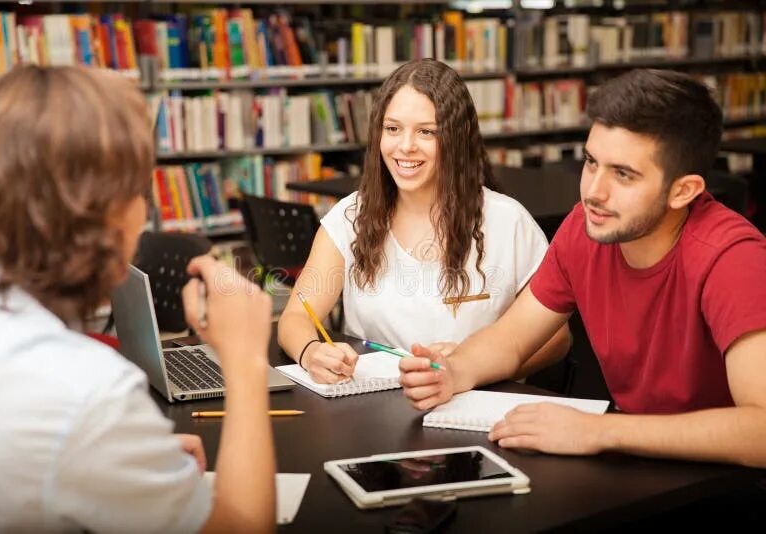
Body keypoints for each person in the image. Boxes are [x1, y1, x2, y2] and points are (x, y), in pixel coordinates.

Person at [398, 68, 766, 468]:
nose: (593, 191)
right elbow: (512, 339)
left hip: (727, 481)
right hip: (641, 464)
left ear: (683, 191)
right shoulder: (585, 228)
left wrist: (599, 430)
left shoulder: (733, 259)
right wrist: (453, 371)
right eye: (591, 163)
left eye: (622, 174)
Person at [0, 66, 276, 531]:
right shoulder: (89, 395)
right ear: (98, 214)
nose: (145, 210)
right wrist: (247, 362)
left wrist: (124, 458)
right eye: (139, 190)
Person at [277, 59, 570, 384]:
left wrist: (474, 366)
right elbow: (295, 317)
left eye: (426, 132)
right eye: (393, 129)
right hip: (372, 401)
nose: (405, 146)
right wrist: (311, 353)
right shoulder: (350, 218)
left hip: (475, 400)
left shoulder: (508, 222)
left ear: (458, 137)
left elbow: (557, 339)